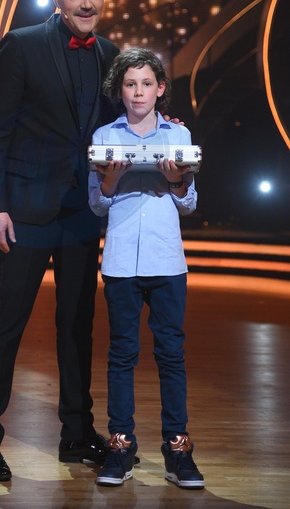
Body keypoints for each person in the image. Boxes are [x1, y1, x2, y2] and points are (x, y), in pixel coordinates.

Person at [0, 0, 121, 482]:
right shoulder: (22, 44)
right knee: (7, 326)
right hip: (25, 212)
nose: (87, 3)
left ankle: (76, 435)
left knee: (77, 326)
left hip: (81, 212)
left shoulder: (111, 54)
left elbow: (117, 127)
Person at [88, 47, 204, 489]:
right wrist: (111, 180)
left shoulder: (178, 134)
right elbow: (97, 205)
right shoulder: (104, 136)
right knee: (122, 354)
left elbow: (189, 203)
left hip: (167, 260)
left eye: (146, 84)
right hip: (120, 261)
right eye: (130, 84)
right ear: (120, 91)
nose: (138, 92)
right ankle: (121, 447)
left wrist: (175, 180)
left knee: (171, 354)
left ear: (160, 89)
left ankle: (178, 450)